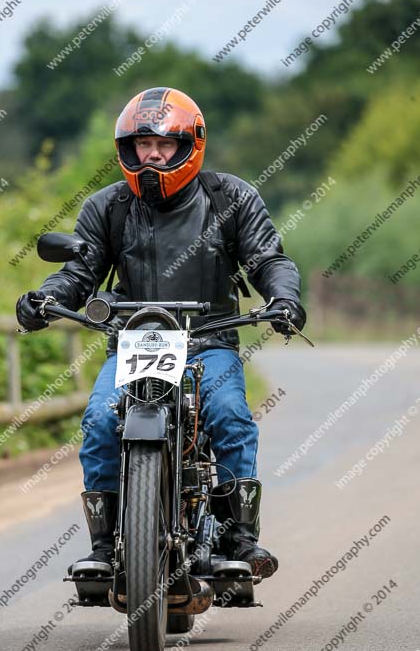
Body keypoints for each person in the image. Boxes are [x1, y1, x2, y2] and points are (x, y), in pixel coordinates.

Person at [16, 87, 306, 579]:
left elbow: (268, 259)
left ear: (189, 145)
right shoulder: (107, 207)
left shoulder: (231, 198)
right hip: (135, 344)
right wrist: (47, 298)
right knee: (100, 421)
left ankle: (241, 536)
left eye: (164, 144)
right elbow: (78, 271)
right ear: (127, 149)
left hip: (210, 339)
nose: (151, 154)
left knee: (229, 414)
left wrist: (283, 297)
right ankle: (106, 546)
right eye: (141, 144)